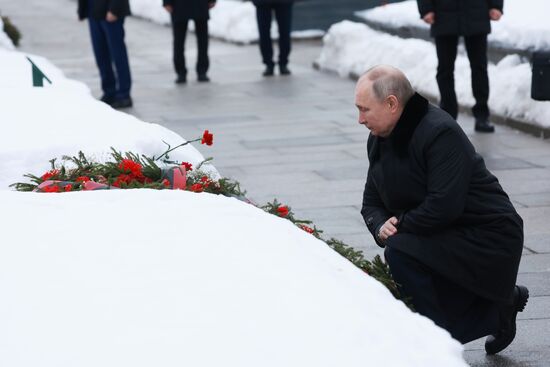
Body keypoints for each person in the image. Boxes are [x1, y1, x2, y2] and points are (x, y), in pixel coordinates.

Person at [358, 65, 528, 354]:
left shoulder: (439, 132)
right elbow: (371, 202)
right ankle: (489, 312)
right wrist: (379, 225)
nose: (360, 120)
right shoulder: (379, 138)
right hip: (439, 232)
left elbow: (443, 206)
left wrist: (397, 224)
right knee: (402, 250)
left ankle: (435, 345)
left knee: (400, 250)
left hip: (488, 236)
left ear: (391, 104)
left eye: (365, 110)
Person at [417, 0, 503, 133]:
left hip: (476, 11)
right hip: (443, 13)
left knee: (479, 67)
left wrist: (496, 5)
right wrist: (426, 8)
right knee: (445, 69)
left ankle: (482, 116)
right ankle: (448, 116)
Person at [78, 0, 133, 109]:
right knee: (101, 55)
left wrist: (115, 9)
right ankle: (109, 92)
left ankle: (124, 95)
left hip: (110, 10)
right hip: (93, 10)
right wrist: (82, 9)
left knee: (118, 55)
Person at [163, 0, 216, 84]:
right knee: (178, 41)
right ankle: (181, 72)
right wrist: (166, 2)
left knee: (203, 40)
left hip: (200, 4)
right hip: (179, 5)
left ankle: (202, 71)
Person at [252, 0, 294, 76]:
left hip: (283, 3)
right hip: (263, 3)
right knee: (263, 32)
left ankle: (283, 63)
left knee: (285, 31)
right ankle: (268, 63)